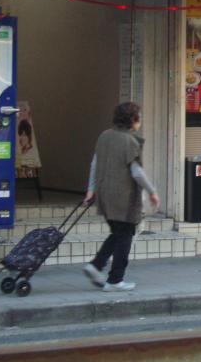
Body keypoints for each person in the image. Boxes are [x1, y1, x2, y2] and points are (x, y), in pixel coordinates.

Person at [82, 102, 160, 291]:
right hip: (123, 198)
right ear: (132, 120)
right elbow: (137, 172)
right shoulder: (129, 141)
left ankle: (95, 265)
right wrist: (152, 191)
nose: (139, 122)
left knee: (118, 233)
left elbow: (95, 163)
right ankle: (115, 279)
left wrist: (91, 189)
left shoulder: (104, 136)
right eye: (138, 118)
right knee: (125, 235)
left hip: (105, 195)